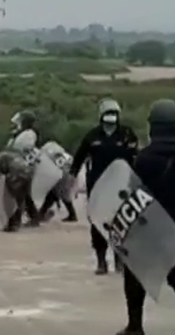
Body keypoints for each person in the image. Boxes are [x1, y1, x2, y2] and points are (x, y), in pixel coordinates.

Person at [117, 99, 175, 335]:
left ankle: (135, 326)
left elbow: (131, 193)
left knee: (136, 273)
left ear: (153, 126)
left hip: (147, 221)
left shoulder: (144, 158)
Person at [70, 99, 139, 275]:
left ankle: (120, 260)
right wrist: (71, 179)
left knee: (120, 223)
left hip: (121, 186)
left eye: (114, 113)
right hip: (97, 187)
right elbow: (78, 159)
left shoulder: (127, 134)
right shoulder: (93, 136)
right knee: (98, 224)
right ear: (101, 115)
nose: (111, 117)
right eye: (108, 113)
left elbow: (136, 159)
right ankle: (101, 261)